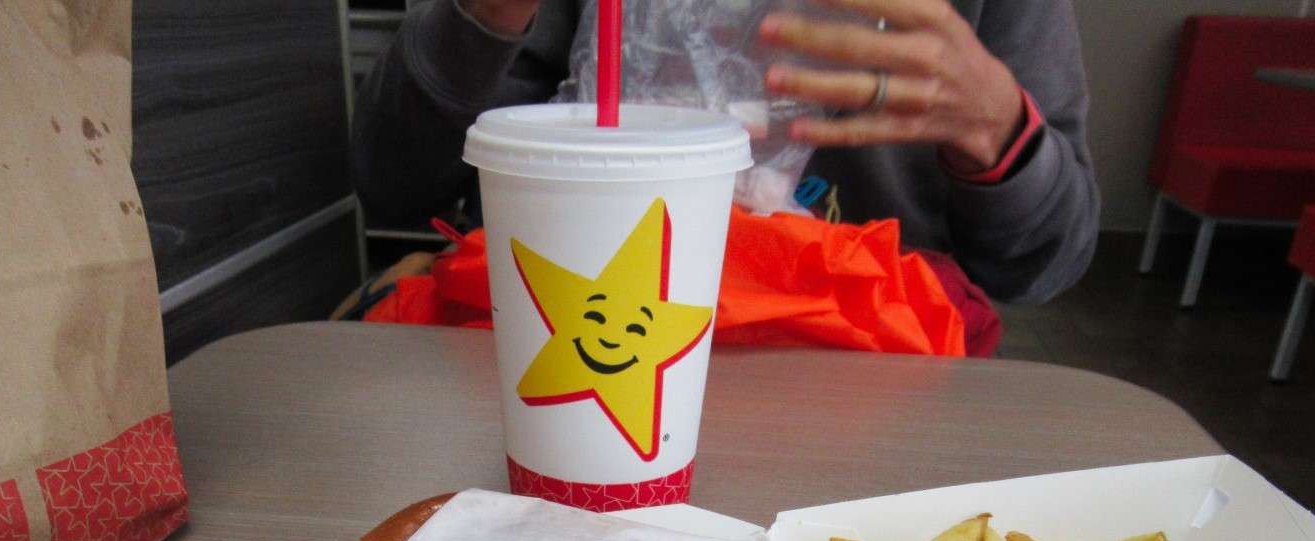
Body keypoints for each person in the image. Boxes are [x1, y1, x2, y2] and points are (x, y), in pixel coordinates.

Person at [350, 0, 1099, 306]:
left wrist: (994, 126)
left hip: (868, 371)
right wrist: (485, 15)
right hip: (573, 344)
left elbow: (1046, 264)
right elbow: (389, 182)